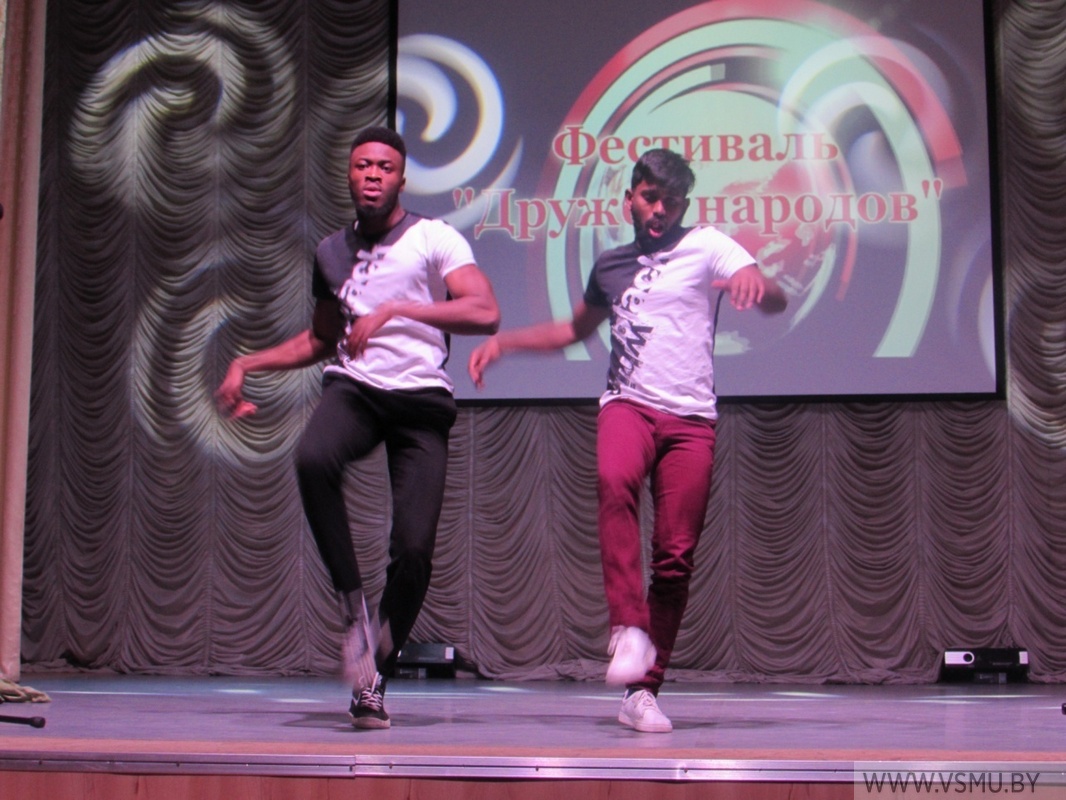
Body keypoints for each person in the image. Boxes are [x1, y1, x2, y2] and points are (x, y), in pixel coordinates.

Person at [468, 148, 786, 733]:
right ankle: (628, 627)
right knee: (614, 482)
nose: (660, 210)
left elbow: (773, 296)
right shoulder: (612, 265)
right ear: (630, 200)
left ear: (685, 205)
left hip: (691, 419)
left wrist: (756, 284)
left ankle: (643, 692)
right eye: (650, 198)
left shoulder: (708, 245)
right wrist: (504, 342)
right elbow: (573, 329)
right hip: (629, 404)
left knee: (675, 558)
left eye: (672, 202)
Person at [217, 126, 500, 729]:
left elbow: (485, 310)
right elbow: (322, 339)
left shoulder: (433, 237)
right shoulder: (330, 252)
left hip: (421, 398)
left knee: (414, 552)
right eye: (363, 166)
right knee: (313, 458)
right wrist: (247, 363)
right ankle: (353, 610)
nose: (373, 175)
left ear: (401, 179)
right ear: (349, 175)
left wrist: (397, 309)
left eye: (385, 167)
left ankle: (374, 676)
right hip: (356, 388)